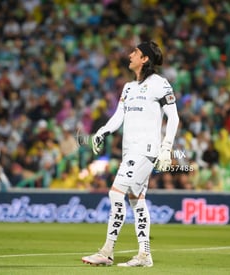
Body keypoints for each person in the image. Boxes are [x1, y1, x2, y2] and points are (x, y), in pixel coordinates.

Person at [82, 41, 179, 267]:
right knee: (137, 201)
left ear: (144, 58)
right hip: (129, 151)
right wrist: (102, 131)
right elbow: (118, 116)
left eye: (134, 52)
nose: (129, 55)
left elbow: (173, 117)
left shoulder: (159, 84)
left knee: (116, 194)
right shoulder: (128, 87)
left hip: (145, 150)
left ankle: (107, 252)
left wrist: (166, 148)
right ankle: (144, 255)